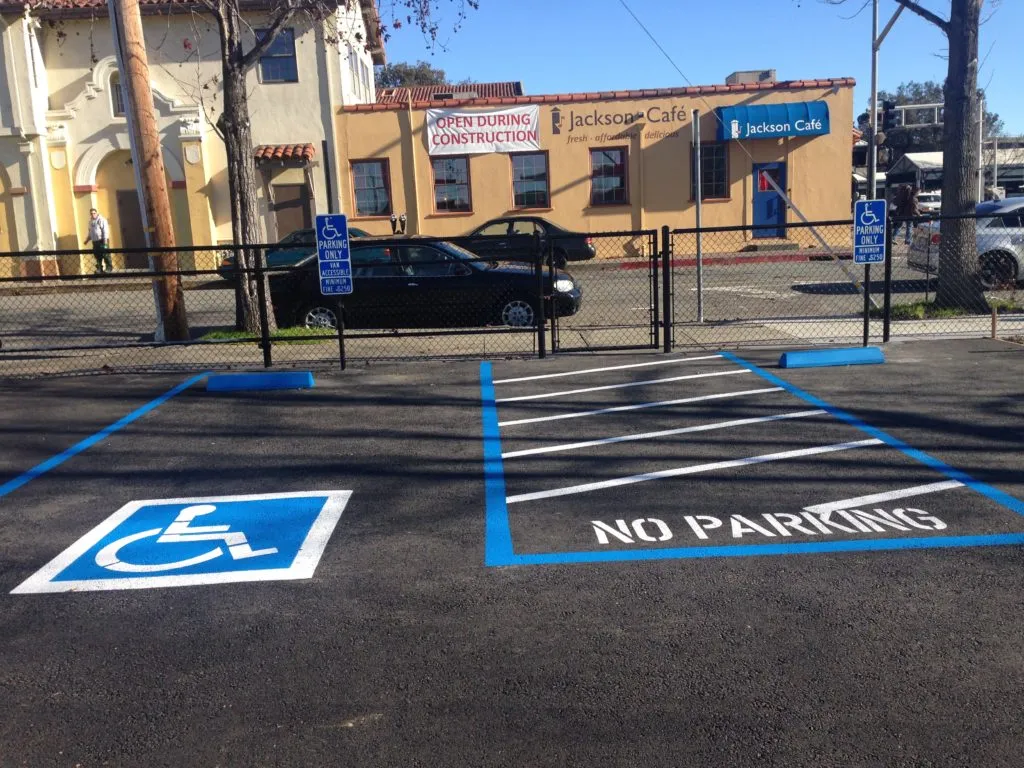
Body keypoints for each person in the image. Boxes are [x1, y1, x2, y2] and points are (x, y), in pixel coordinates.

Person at [83, 207, 112, 273]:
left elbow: (105, 231)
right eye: (91, 213)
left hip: (102, 241)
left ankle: (109, 268)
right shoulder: (90, 222)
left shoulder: (102, 220)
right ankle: (99, 268)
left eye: (94, 213)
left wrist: (105, 241)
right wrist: (87, 240)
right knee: (97, 255)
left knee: (105, 254)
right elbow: (90, 233)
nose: (93, 215)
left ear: (96, 213)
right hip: (95, 242)